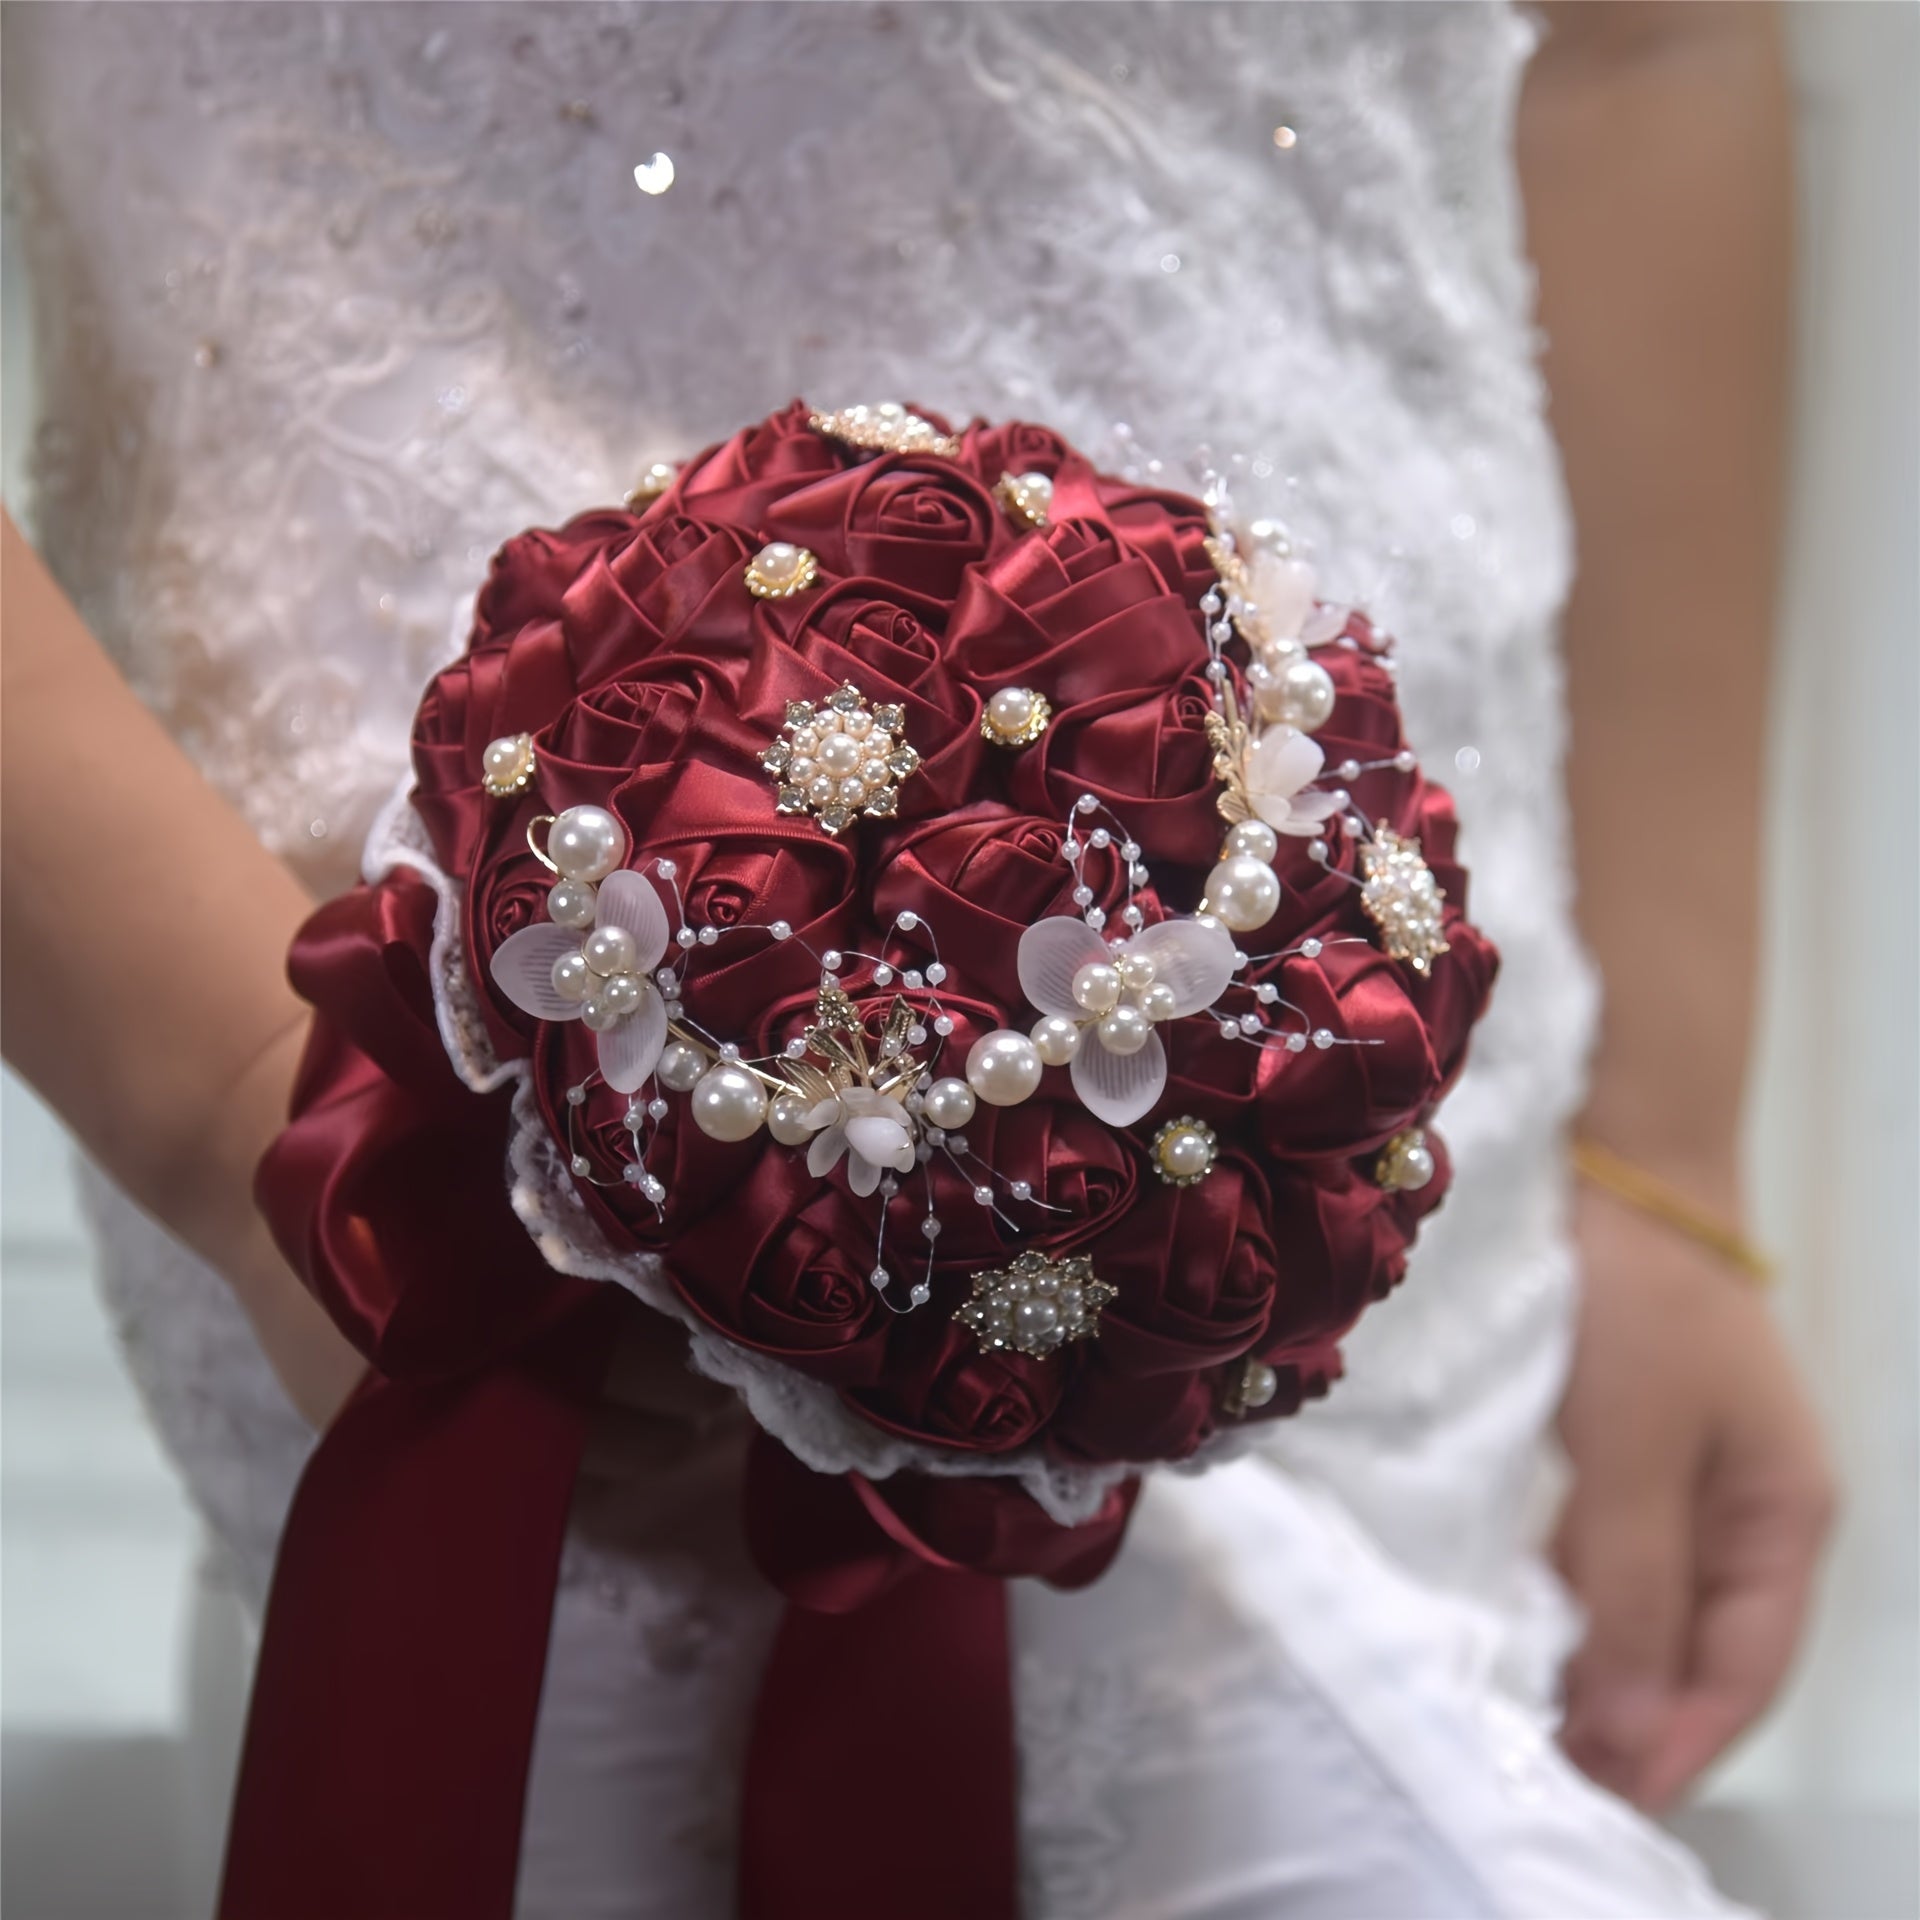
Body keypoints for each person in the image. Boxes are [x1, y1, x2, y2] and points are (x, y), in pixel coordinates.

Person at [1, 3, 1830, 1912]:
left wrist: (1667, 1148)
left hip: (1363, 1126)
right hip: (409, 1110)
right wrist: (240, 1106)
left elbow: (1644, 45)